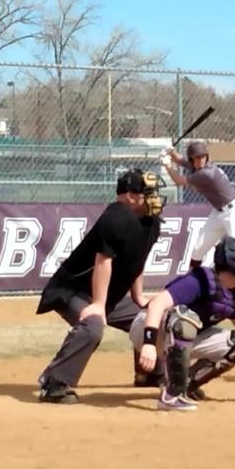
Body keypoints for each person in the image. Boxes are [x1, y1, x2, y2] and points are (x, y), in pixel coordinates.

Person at [35, 169, 167, 404]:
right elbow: (103, 261)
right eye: (145, 193)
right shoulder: (115, 217)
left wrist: (139, 298)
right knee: (92, 327)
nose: (152, 198)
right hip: (72, 290)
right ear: (127, 195)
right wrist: (98, 305)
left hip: (106, 295)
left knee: (151, 317)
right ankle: (54, 383)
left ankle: (149, 373)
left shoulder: (151, 222)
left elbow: (138, 260)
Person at [129, 237, 235, 411]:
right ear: (234, 262)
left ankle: (185, 384)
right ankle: (172, 396)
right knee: (185, 319)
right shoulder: (200, 280)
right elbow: (157, 304)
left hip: (178, 334)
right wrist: (149, 343)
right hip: (147, 328)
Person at [160, 141, 235, 303]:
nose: (200, 160)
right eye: (197, 157)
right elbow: (182, 161)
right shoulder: (199, 168)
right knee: (197, 250)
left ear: (207, 157)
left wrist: (166, 165)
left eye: (203, 157)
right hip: (218, 213)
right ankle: (193, 286)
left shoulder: (206, 173)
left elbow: (179, 180)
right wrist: (171, 153)